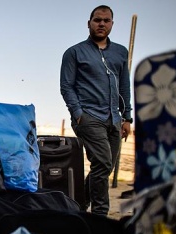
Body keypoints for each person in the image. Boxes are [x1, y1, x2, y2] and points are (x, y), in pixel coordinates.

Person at [60, 5, 132, 216]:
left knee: (104, 168)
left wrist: (127, 117)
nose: (101, 24)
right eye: (97, 20)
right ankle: (100, 215)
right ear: (89, 23)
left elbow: (124, 86)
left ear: (111, 24)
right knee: (102, 162)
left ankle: (78, 206)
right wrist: (78, 113)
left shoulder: (120, 52)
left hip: (114, 118)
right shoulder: (74, 52)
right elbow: (66, 86)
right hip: (89, 116)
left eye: (106, 20)